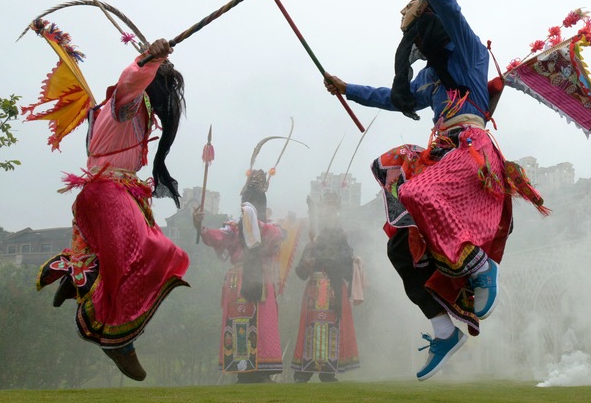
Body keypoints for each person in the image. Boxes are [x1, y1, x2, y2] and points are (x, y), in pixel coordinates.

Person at [324, 0, 545, 381]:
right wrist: (346, 89)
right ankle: (444, 330)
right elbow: (391, 97)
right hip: (443, 153)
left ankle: (480, 271)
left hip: (471, 150)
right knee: (399, 248)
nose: (405, 22)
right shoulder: (428, 79)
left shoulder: (467, 52)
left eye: (410, 12)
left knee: (416, 191)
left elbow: (450, 9)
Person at [36, 38, 190, 381]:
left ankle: (79, 275)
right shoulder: (126, 104)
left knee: (138, 253)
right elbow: (130, 80)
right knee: (157, 252)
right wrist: (150, 59)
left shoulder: (119, 111)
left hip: (107, 192)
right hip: (107, 193)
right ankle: (116, 337)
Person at [194, 155, 292, 383]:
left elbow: (275, 235)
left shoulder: (269, 227)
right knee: (241, 321)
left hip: (261, 279)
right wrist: (199, 226)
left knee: (262, 323)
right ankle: (242, 369)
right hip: (238, 280)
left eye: (253, 202)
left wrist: (253, 222)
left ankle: (263, 369)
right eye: (247, 201)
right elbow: (214, 236)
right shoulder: (233, 228)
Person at [291, 190, 361, 382]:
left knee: (332, 328)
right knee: (310, 329)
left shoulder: (342, 241)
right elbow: (300, 272)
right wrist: (307, 264)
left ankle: (328, 371)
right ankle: (304, 371)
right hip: (314, 289)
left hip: (333, 290)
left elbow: (346, 268)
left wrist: (333, 261)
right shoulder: (313, 242)